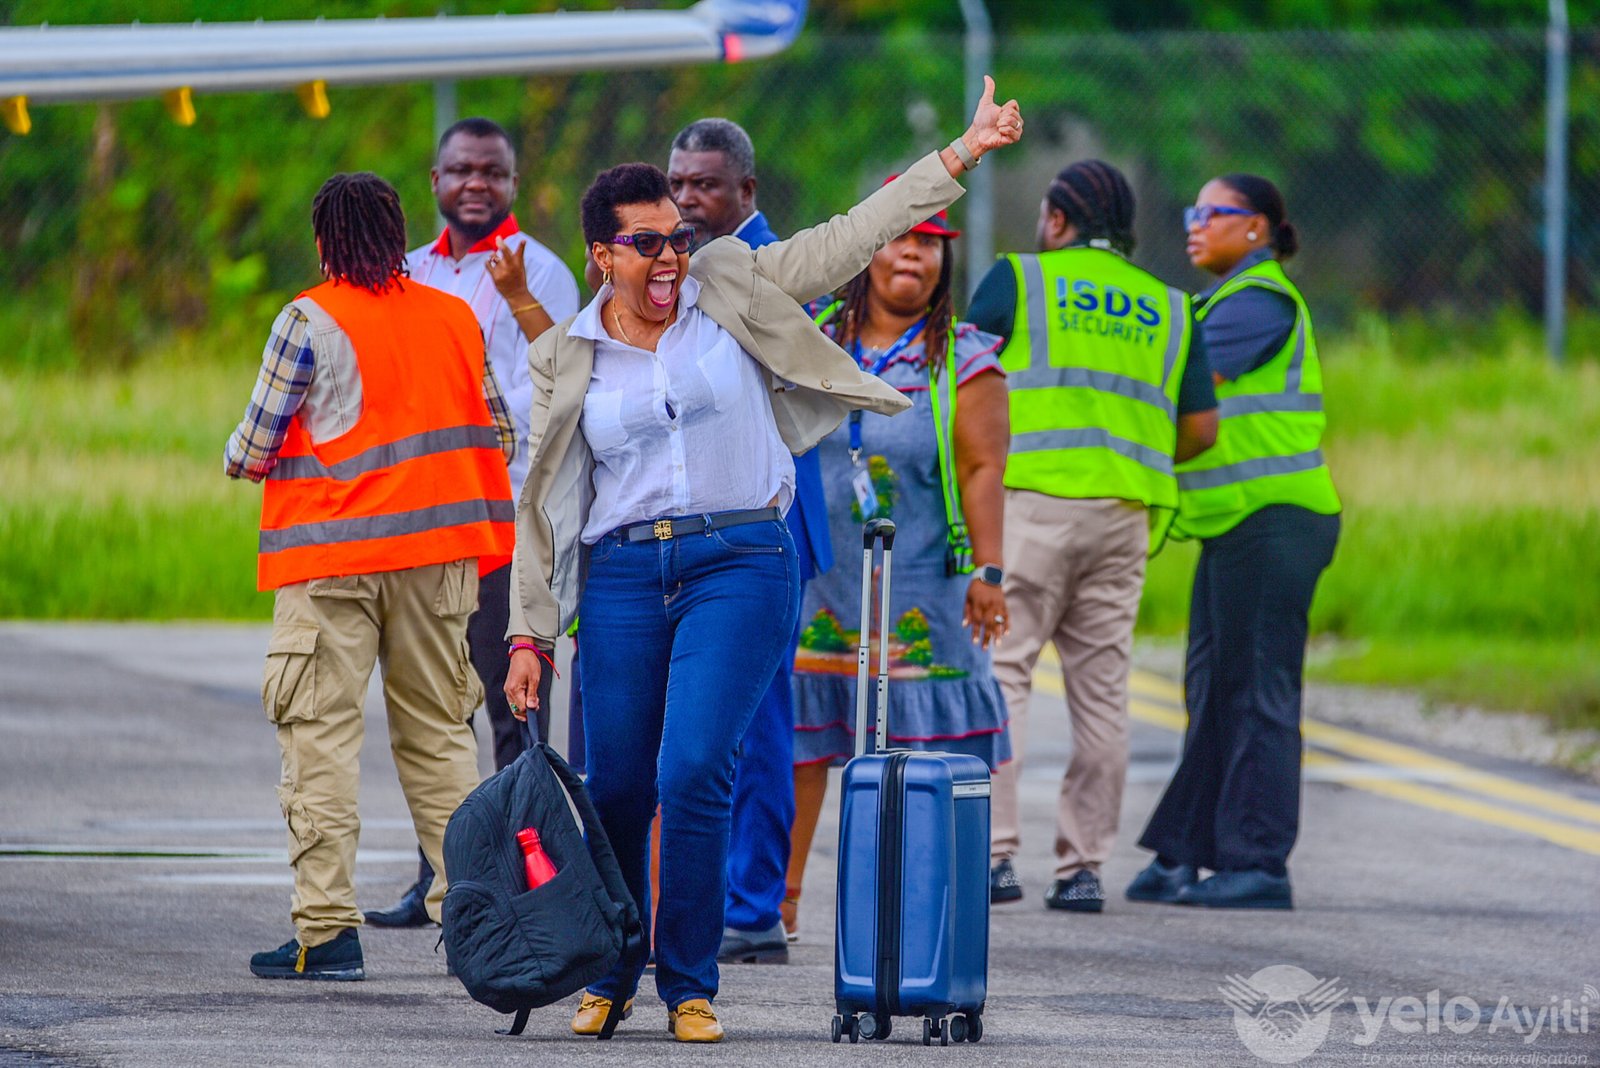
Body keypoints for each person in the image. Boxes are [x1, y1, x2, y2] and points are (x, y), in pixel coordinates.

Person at [502, 78, 1023, 1041]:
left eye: (678, 235)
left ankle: (689, 983)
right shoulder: (565, 356)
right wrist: (530, 632)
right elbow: (542, 505)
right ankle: (611, 971)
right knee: (614, 783)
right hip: (620, 574)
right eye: (648, 243)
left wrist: (960, 154)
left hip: (740, 559)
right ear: (601, 254)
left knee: (694, 767)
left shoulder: (730, 283)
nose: (672, 256)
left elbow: (852, 234)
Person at [225, 172, 515, 980]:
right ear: (398, 239)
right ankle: (476, 922)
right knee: (440, 736)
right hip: (440, 562)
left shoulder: (306, 320)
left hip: (333, 565)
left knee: (320, 737)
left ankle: (327, 933)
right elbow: (498, 434)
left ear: (325, 245)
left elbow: (251, 451)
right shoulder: (455, 317)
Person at [966, 160, 1218, 914]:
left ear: (1057, 219)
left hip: (1029, 504)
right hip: (1125, 513)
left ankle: (993, 855)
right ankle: (1082, 869)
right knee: (1103, 692)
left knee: (1002, 676)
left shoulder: (1020, 279)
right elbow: (1201, 427)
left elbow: (963, 379)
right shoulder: (1172, 306)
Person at [364, 117, 580, 930]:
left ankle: (520, 883)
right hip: (422, 524)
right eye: (461, 170)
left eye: (492, 171)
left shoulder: (543, 274)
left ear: (514, 183)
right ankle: (442, 881)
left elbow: (543, 391)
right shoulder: (406, 272)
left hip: (502, 523)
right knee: (434, 708)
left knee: (510, 710)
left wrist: (441, 424)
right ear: (435, 181)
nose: (476, 184)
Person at [783, 193, 1013, 941]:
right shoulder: (813, 336)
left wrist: (990, 573)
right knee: (802, 745)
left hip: (922, 576)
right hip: (821, 577)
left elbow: (983, 468)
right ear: (867, 250)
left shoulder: (965, 355)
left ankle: (923, 918)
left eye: (931, 244)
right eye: (898, 240)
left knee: (928, 752)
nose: (912, 254)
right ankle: (773, 909)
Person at [1128, 175, 1340, 910]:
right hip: (1239, 527)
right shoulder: (1225, 301)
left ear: (1255, 229)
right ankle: (1184, 851)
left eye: (1210, 214)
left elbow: (1182, 382)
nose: (1193, 225)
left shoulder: (1258, 302)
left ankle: (1258, 863)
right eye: (1189, 211)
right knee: (1214, 689)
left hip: (1275, 521)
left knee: (1256, 693)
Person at [666, 117, 834, 966]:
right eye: (679, 183)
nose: (688, 198)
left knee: (757, 714)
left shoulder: (771, 270)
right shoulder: (683, 263)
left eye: (705, 184)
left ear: (746, 192)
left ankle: (754, 903)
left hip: (766, 516)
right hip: (697, 514)